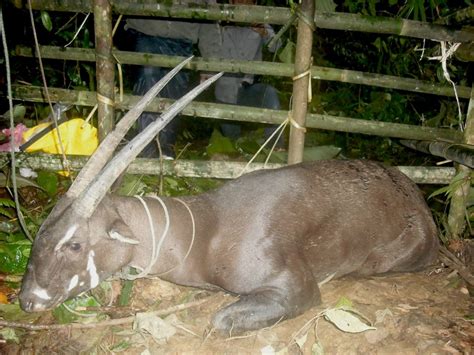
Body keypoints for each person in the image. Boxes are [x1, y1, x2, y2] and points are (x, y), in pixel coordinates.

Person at [124, 1, 213, 158]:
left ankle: (164, 148)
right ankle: (147, 148)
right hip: (145, 33)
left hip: (182, 41)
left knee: (173, 93)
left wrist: (208, 64)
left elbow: (210, 18)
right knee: (149, 73)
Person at [198, 0, 282, 145]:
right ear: (231, 1)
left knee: (270, 96)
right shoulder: (220, 19)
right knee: (232, 143)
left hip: (247, 88)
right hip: (224, 91)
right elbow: (206, 45)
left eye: (248, 0)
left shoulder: (259, 20)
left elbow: (276, 46)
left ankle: (275, 149)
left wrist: (264, 32)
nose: (244, 3)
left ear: (254, 3)